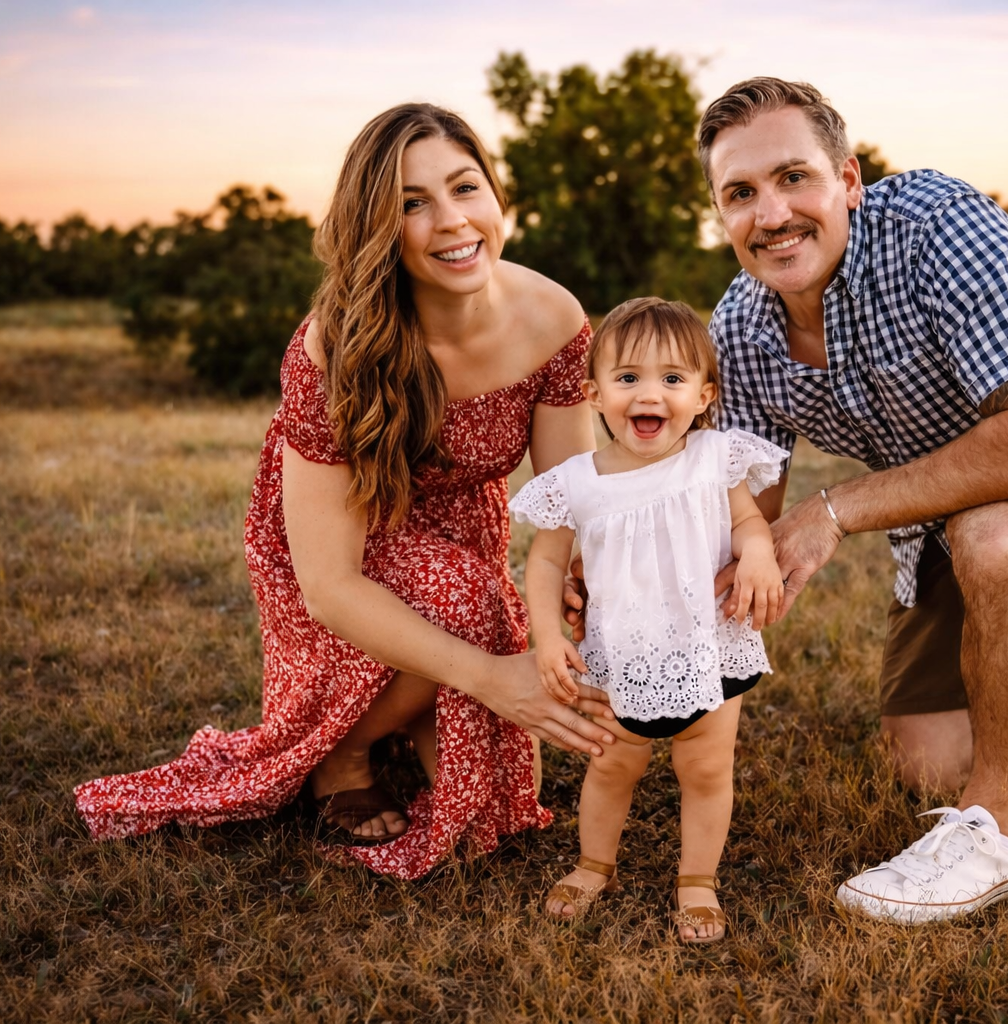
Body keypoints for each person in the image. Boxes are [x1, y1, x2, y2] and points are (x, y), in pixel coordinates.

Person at [74, 103, 619, 880]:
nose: (452, 221)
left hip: (463, 529)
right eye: (411, 204)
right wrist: (496, 676)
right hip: (341, 536)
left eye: (466, 188)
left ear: (500, 198)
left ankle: (416, 709)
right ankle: (347, 755)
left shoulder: (555, 317)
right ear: (375, 228)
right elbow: (330, 585)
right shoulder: (334, 348)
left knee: (504, 801)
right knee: (468, 606)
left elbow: (569, 501)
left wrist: (570, 590)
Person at [692, 78, 1008, 923]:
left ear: (848, 180)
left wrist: (834, 509)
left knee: (997, 540)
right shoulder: (739, 330)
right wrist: (625, 597)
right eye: (741, 194)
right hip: (932, 519)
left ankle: (996, 838)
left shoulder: (939, 227)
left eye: (793, 178)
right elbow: (746, 530)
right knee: (924, 765)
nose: (771, 215)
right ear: (720, 215)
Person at [511, 298, 788, 943]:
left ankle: (697, 880)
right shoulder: (576, 481)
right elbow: (547, 563)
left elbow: (749, 522)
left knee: (706, 768)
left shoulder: (716, 458)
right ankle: (592, 865)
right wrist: (547, 632)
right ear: (594, 394)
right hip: (621, 652)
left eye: (672, 379)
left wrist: (758, 552)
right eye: (628, 377)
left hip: (708, 645)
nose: (650, 393)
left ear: (703, 396)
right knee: (612, 765)